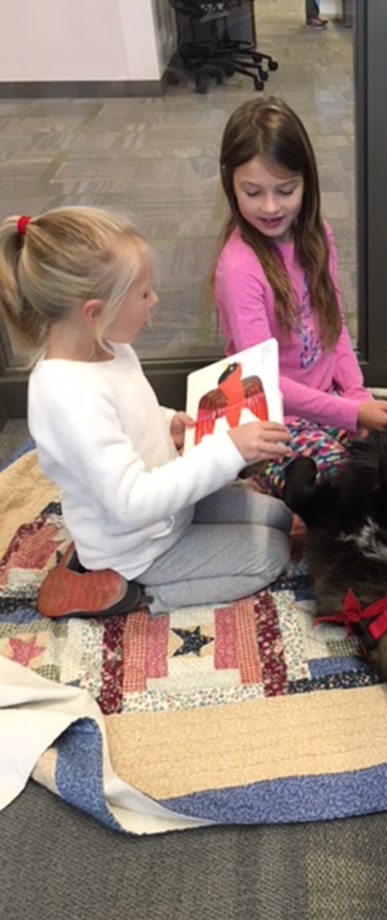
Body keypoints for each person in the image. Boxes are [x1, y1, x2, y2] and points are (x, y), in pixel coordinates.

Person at [0, 206, 294, 617]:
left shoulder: (108, 344)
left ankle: (99, 565)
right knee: (272, 554)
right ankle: (133, 594)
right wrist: (228, 450)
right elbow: (133, 501)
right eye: (144, 294)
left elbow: (136, 407)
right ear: (94, 311)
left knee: (280, 518)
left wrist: (168, 421)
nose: (154, 301)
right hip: (137, 544)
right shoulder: (67, 397)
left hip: (169, 511)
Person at [213, 97, 387, 495]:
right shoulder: (238, 268)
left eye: (285, 190)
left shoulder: (317, 235)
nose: (269, 207)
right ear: (230, 184)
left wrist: (357, 397)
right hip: (267, 411)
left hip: (327, 399)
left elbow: (334, 329)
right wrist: (353, 413)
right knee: (342, 486)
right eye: (253, 192)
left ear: (307, 182)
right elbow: (262, 383)